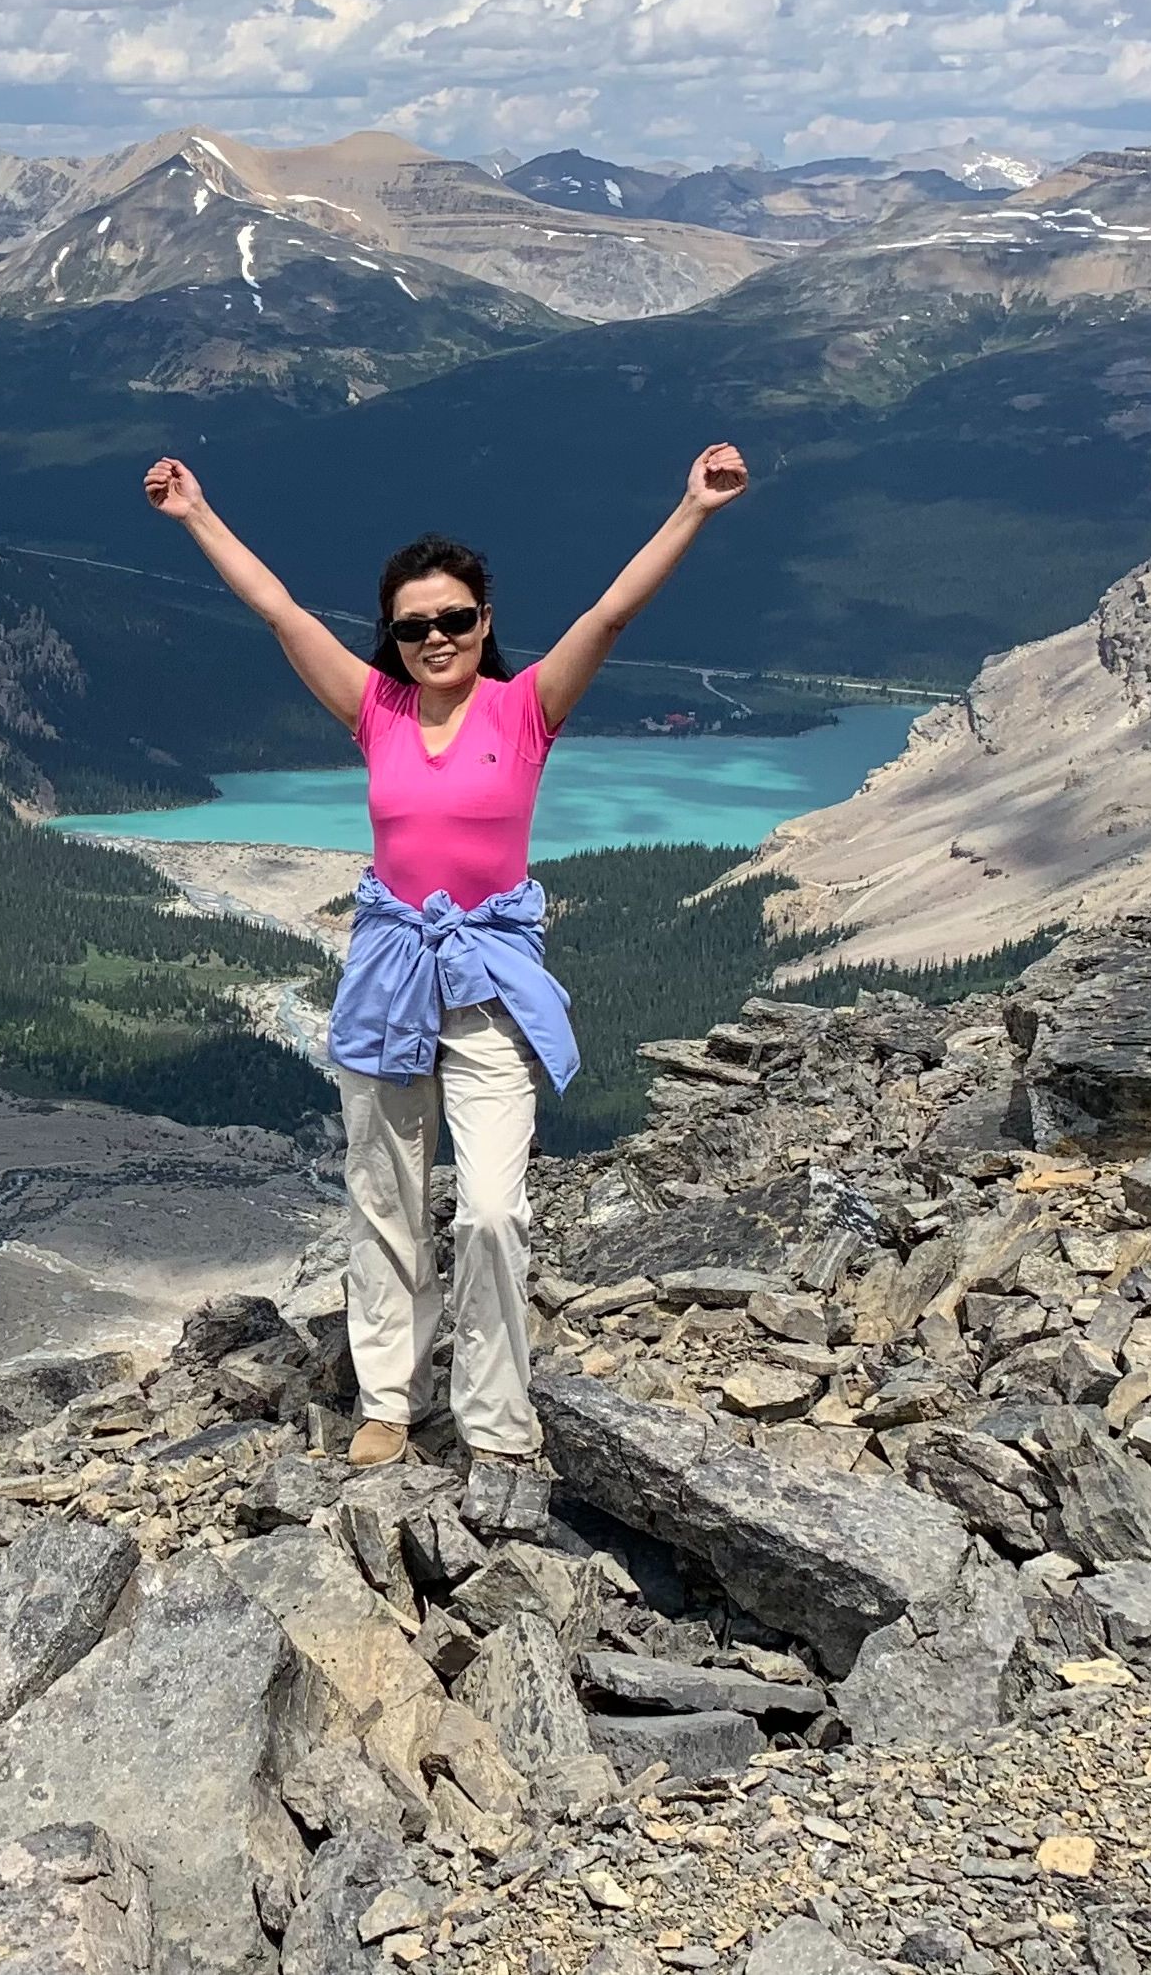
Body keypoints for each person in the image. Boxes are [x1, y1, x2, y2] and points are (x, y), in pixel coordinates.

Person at [140, 444, 749, 1520]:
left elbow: (608, 615)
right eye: (414, 625)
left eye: (455, 620)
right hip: (387, 976)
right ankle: (387, 1399)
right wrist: (195, 515)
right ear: (392, 634)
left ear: (483, 622)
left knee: (492, 1213)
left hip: (490, 980)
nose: (435, 639)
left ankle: (496, 1418)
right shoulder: (372, 709)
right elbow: (281, 612)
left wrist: (691, 509)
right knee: (383, 1202)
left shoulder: (526, 711)